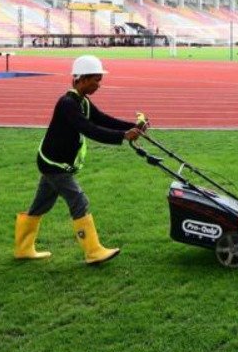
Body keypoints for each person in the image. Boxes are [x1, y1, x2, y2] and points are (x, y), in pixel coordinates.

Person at [14, 54, 145, 265]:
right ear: (82, 79)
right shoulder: (67, 103)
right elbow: (89, 129)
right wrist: (122, 136)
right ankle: (93, 252)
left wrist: (133, 127)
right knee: (79, 200)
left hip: (52, 162)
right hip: (54, 164)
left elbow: (102, 119)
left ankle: (23, 248)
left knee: (40, 205)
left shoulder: (82, 101)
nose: (99, 84)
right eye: (96, 79)